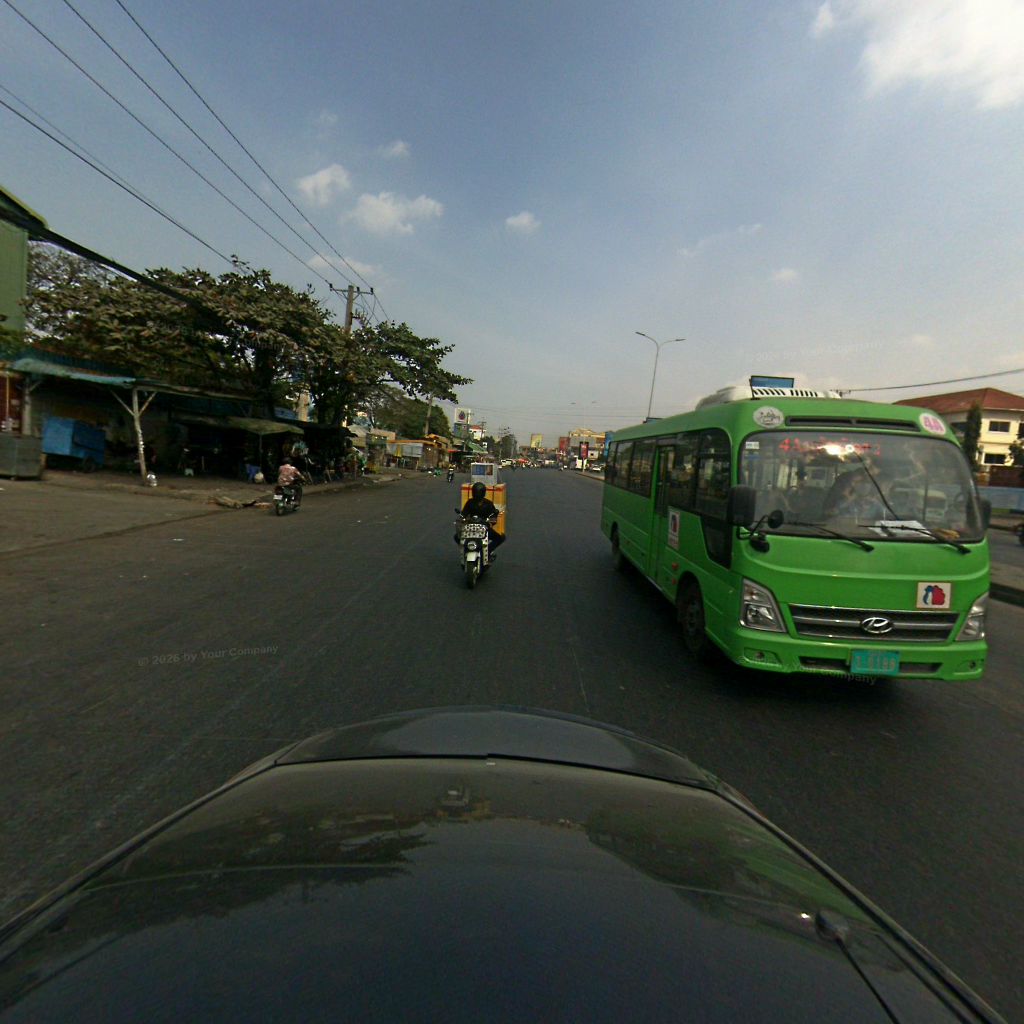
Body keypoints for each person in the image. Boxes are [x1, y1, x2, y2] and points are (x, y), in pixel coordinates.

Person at [457, 481, 505, 553]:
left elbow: (493, 516)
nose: (476, 494)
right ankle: (467, 549)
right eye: (475, 492)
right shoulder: (471, 502)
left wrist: (490, 522)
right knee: (500, 538)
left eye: (477, 492)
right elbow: (464, 513)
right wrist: (462, 518)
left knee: (500, 538)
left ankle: (487, 551)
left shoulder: (486, 503)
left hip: (483, 528)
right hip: (471, 528)